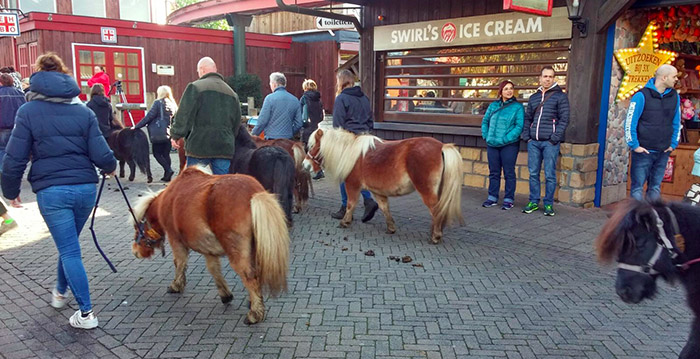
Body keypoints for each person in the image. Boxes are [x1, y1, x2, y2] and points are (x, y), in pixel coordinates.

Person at [1, 53, 117, 329]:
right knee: (70, 247)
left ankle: (86, 314)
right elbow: (102, 153)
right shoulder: (83, 112)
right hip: (85, 190)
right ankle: (60, 292)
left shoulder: (28, 112)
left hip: (52, 191)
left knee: (69, 251)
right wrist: (111, 166)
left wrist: (10, 190)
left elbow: (14, 157)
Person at [170, 57, 241, 175]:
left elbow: (184, 115)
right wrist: (228, 138)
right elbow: (236, 123)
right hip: (223, 147)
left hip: (199, 146)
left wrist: (175, 135)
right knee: (221, 186)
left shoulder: (195, 87)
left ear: (202, 70)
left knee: (195, 185)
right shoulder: (232, 93)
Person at [625, 64, 681, 201]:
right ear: (664, 77)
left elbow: (677, 122)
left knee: (655, 187)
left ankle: (653, 220)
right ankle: (636, 220)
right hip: (643, 151)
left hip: (663, 151)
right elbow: (630, 122)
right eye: (674, 77)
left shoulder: (675, 96)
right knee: (637, 188)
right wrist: (635, 146)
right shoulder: (641, 96)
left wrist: (672, 144)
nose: (676, 80)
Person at [331, 69, 379, 222]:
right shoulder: (364, 98)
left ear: (341, 81)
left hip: (349, 141)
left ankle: (350, 205)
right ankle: (366, 200)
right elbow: (370, 121)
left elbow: (337, 125)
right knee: (360, 174)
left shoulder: (341, 99)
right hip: (365, 140)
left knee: (343, 173)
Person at [521, 66, 570, 216]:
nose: (547, 79)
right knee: (533, 173)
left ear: (553, 78)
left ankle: (548, 204)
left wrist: (554, 138)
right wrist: (527, 137)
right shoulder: (534, 97)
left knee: (549, 174)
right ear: (540, 78)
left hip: (550, 143)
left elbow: (564, 119)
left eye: (550, 76)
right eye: (545, 76)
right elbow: (528, 117)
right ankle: (534, 201)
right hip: (534, 142)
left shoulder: (560, 96)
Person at [481, 80, 524, 210]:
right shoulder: (493, 106)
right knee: (494, 172)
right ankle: (492, 197)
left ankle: (508, 198)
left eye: (511, 88)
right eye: (506, 89)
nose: (509, 91)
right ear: (501, 91)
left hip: (509, 145)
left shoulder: (517, 107)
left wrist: (505, 139)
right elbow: (485, 122)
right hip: (492, 144)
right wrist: (487, 136)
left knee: (509, 172)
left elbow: (519, 126)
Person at [0, 73, 26, 235]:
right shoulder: (19, 93)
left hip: (2, 128)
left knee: (3, 154)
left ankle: (6, 179)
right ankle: (12, 179)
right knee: (13, 154)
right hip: (15, 128)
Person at [134, 85, 177, 182]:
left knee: (156, 154)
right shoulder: (172, 104)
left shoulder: (158, 103)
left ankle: (168, 170)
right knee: (166, 154)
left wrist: (137, 126)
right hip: (168, 133)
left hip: (158, 134)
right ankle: (167, 176)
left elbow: (149, 116)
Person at [251, 72, 303, 140]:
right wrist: (290, 132)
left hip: (272, 139)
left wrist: (252, 135)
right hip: (288, 140)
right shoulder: (295, 100)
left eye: (270, 83)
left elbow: (262, 121)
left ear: (274, 84)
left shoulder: (269, 99)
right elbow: (299, 123)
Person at [300, 79, 324, 179]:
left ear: (305, 88)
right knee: (314, 150)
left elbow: (300, 114)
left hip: (306, 127)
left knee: (305, 150)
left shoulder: (303, 99)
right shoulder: (319, 100)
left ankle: (305, 171)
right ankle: (318, 170)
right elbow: (321, 117)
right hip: (315, 127)